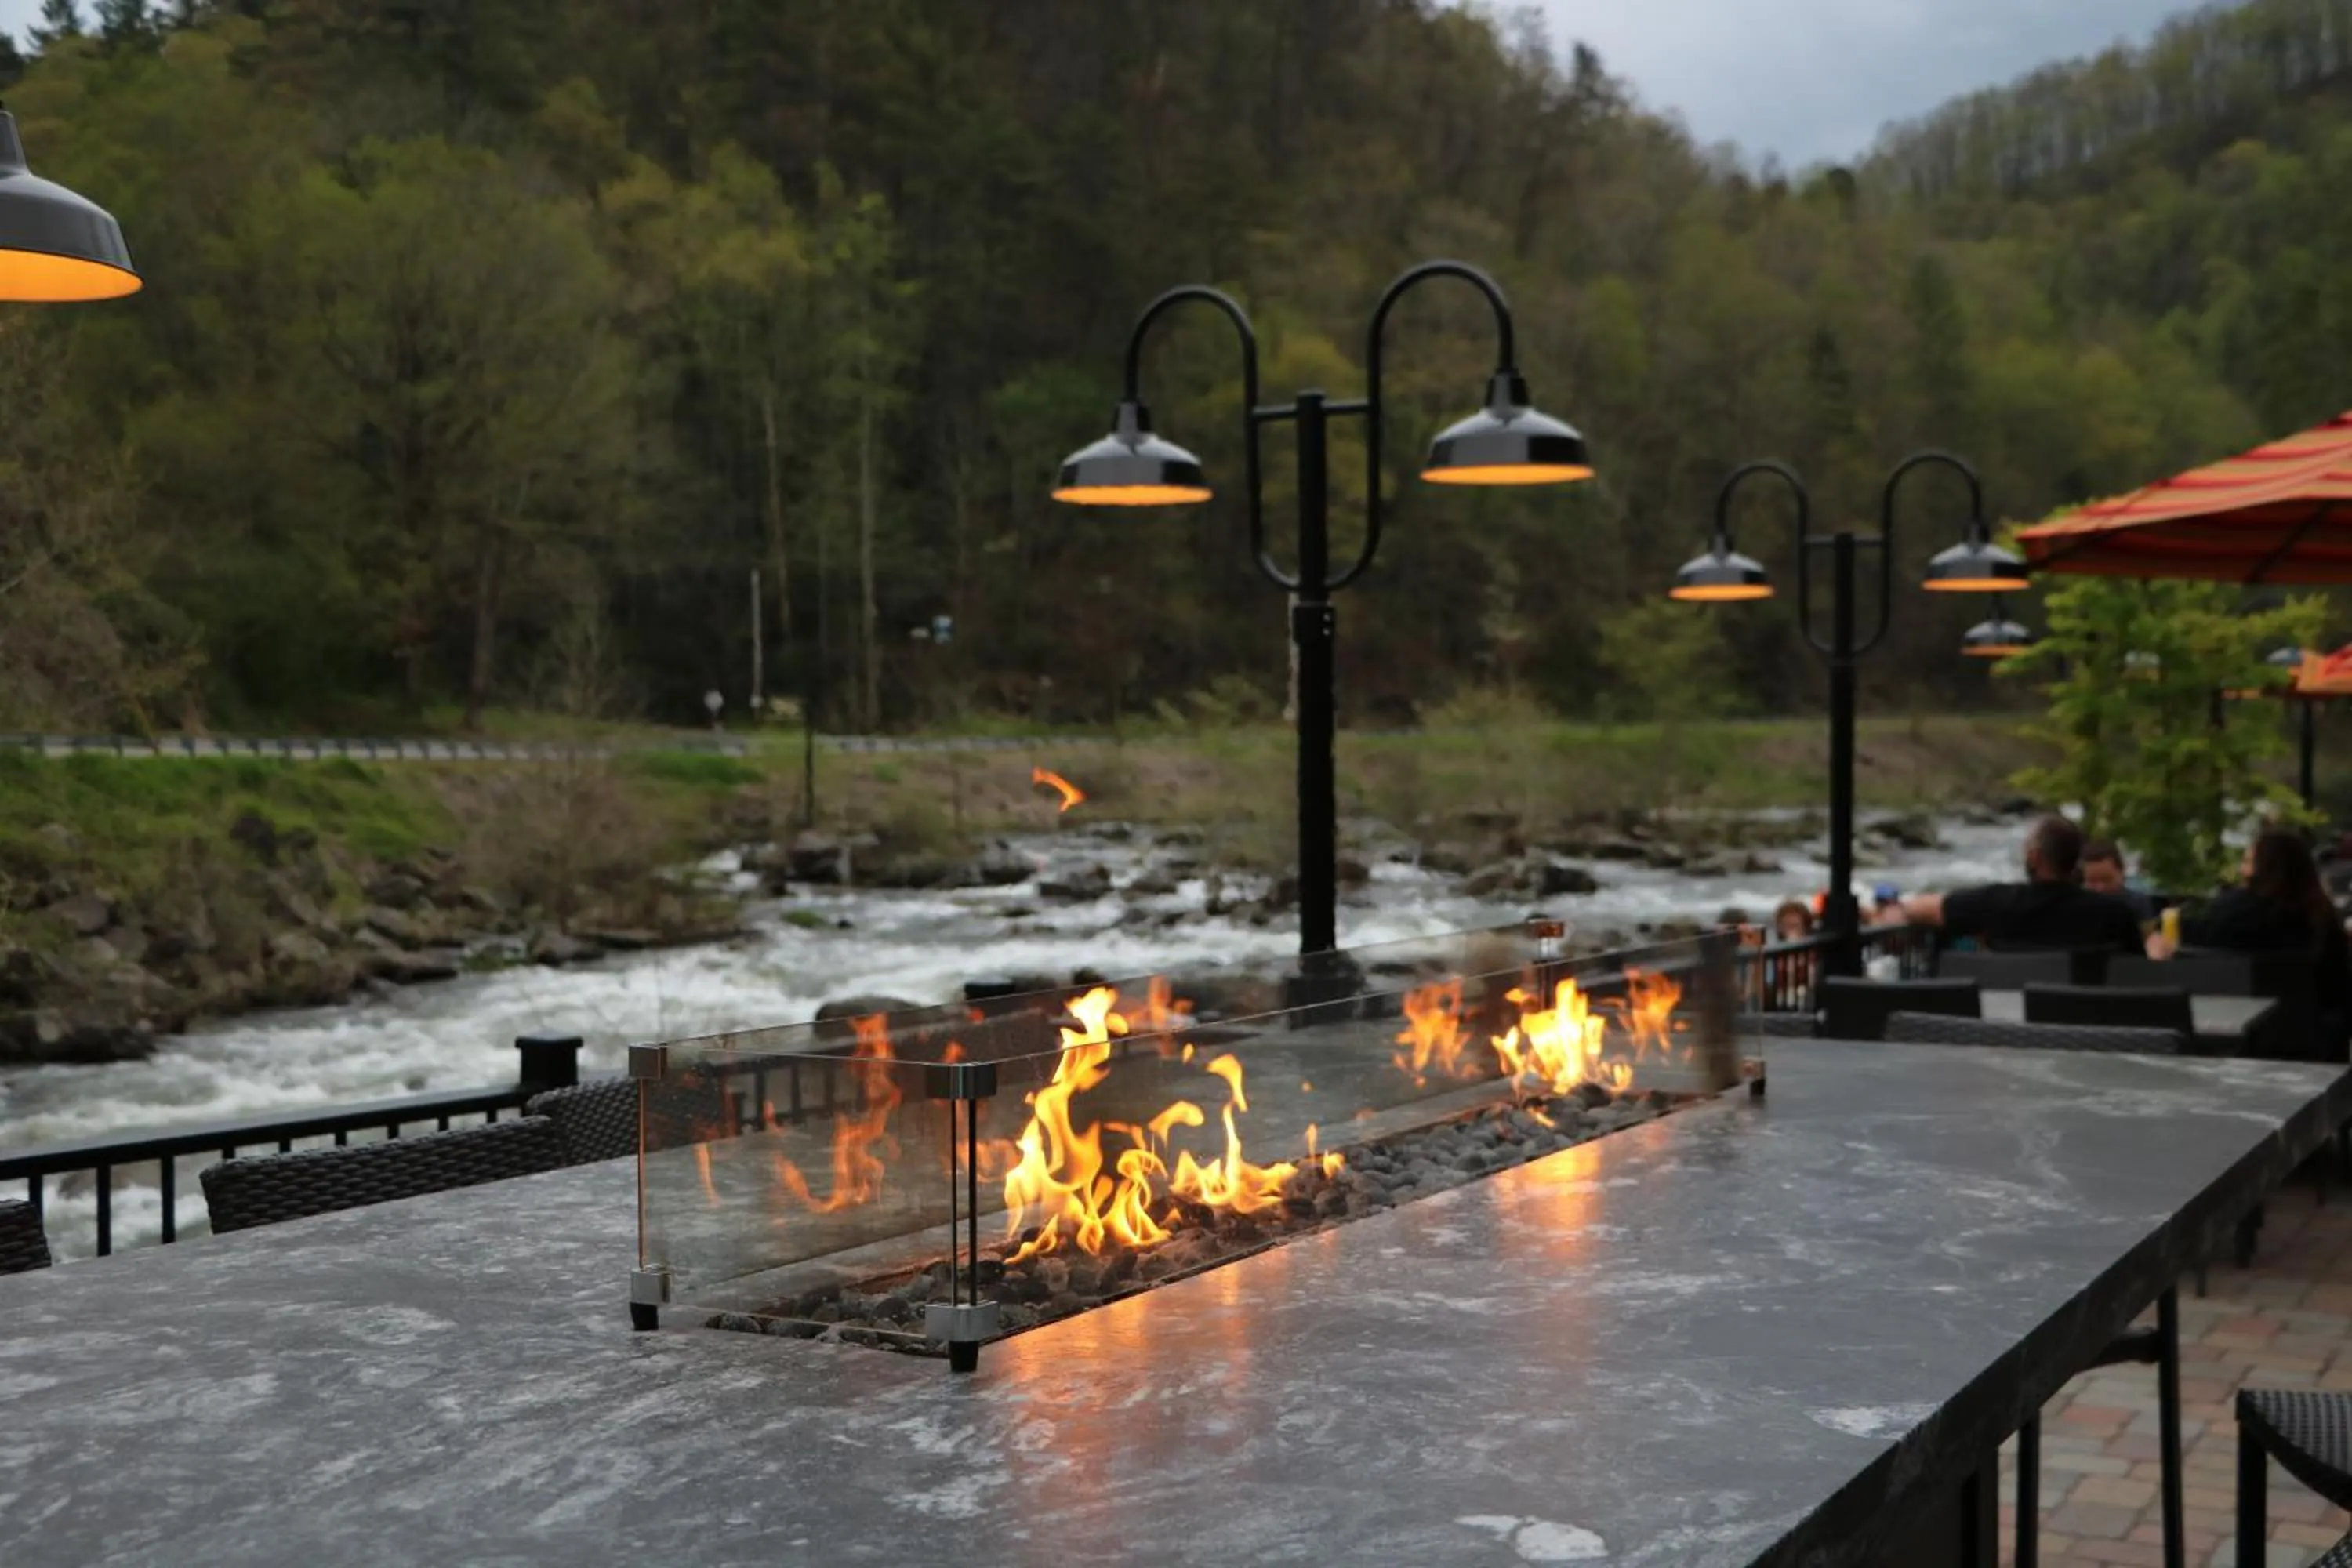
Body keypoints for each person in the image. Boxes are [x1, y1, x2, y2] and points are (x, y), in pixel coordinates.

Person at [2146, 828, 2351, 1017]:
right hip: (2313, 1037)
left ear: (2261, 869)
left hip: (2229, 1031)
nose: (2240, 869)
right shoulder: (2323, 922)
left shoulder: (2228, 917)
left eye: (2246, 862)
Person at [1900, 814, 2144, 954]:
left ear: (2035, 857)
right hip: (2091, 1028)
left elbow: (1916, 909)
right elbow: (2140, 971)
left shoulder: (1996, 902)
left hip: (2009, 1027)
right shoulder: (2113, 913)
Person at [2082, 839, 2156, 921]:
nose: (2100, 888)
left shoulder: (2136, 903)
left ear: (2121, 873)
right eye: (2092, 882)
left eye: (2107, 880)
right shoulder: (2077, 907)